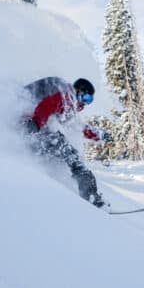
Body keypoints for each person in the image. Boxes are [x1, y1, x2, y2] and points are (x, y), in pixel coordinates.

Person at [20, 76, 110, 207]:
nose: (85, 103)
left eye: (89, 101)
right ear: (79, 91)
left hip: (33, 131)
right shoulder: (67, 96)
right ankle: (90, 197)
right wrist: (35, 124)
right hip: (29, 129)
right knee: (68, 152)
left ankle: (78, 196)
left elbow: (78, 127)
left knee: (65, 152)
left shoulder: (69, 106)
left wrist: (99, 135)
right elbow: (46, 105)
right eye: (85, 98)